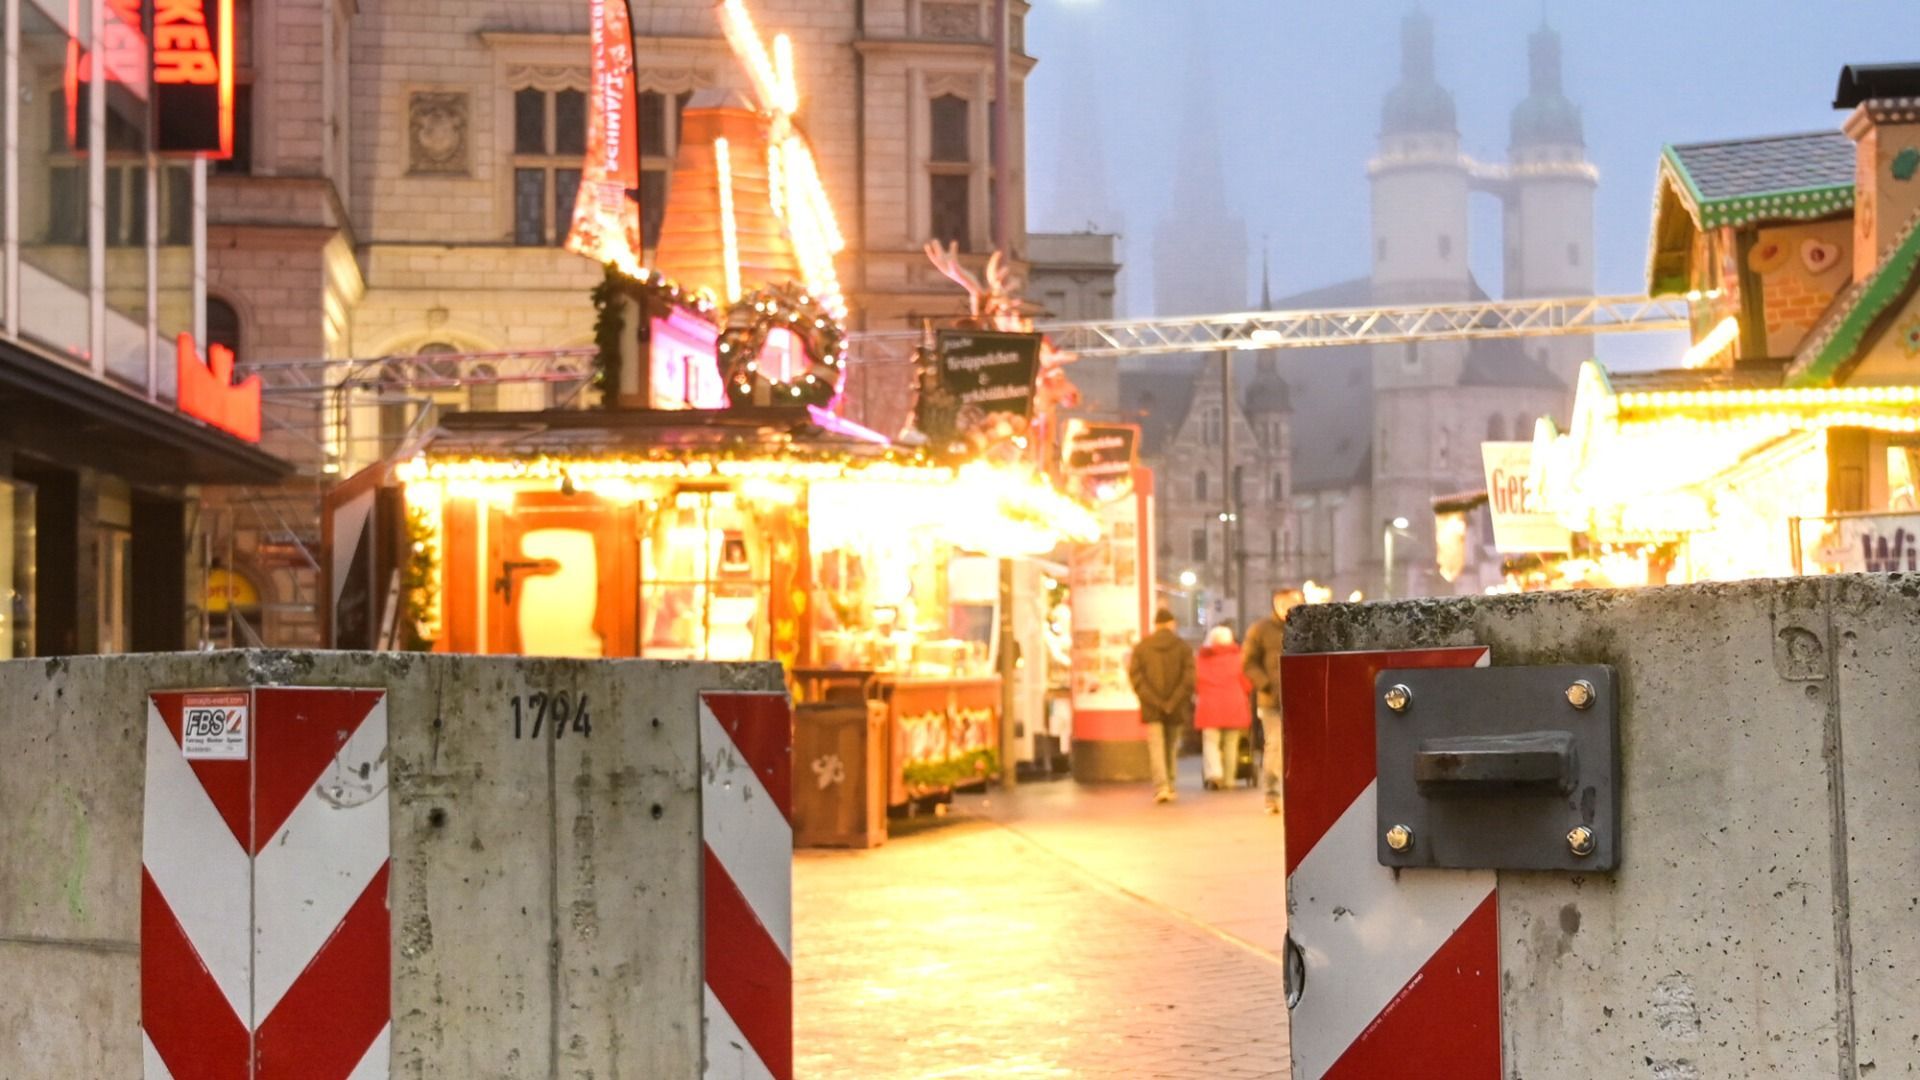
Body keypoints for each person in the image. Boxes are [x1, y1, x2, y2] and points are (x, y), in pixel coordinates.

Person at [1243, 588, 1303, 815]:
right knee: (1275, 746)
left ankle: (1297, 794)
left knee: (1301, 749)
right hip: (1271, 700)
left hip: (1300, 699)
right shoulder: (1260, 630)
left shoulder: (1303, 628)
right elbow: (1248, 662)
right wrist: (1265, 684)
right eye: (1290, 603)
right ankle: (1272, 794)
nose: (1294, 607)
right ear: (1278, 605)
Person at [1128, 607, 1195, 804]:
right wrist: (1173, 701)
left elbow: (1137, 678)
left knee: (1156, 746)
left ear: (1156, 625)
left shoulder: (1142, 647)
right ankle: (1171, 784)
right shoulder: (1183, 647)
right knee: (1171, 746)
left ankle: (1161, 786)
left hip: (1151, 706)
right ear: (1171, 623)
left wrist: (1154, 701)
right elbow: (1189, 679)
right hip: (1176, 706)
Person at [1195, 625, 1253, 791]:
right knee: (1231, 743)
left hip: (1209, 706)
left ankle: (1215, 775)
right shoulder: (1239, 658)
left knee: (1210, 742)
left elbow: (1196, 681)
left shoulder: (1202, 659)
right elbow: (1247, 684)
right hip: (1234, 705)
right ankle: (1229, 779)